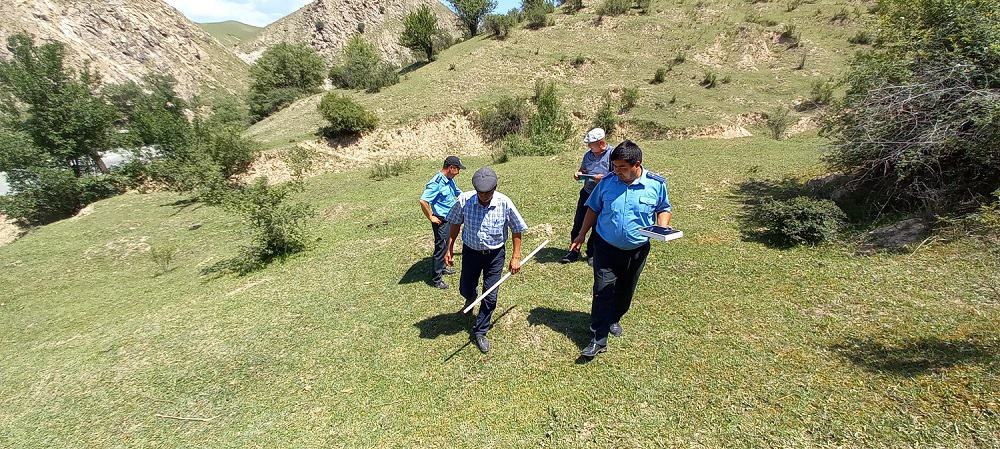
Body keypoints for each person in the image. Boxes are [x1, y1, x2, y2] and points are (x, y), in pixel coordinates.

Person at [569, 140, 672, 358]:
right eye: (614, 167)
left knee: (625, 290)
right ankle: (598, 337)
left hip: (637, 249)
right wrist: (581, 234)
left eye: (622, 168)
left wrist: (662, 227)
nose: (617, 172)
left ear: (637, 164)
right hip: (605, 247)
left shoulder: (656, 184)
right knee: (602, 290)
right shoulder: (607, 182)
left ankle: (615, 317)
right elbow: (593, 209)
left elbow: (663, 208)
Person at [445, 167, 528, 353]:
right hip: (471, 253)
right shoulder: (464, 201)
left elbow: (516, 229)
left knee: (490, 296)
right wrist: (449, 249)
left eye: (487, 193)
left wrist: (516, 257)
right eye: (480, 193)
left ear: (495, 188)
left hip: (495, 256)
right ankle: (470, 296)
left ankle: (481, 330)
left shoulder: (504, 203)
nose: (483, 196)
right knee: (465, 287)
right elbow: (455, 223)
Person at [561, 127, 612, 266]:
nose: (589, 146)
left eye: (591, 144)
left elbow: (617, 175)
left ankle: (592, 253)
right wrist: (578, 173)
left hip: (602, 196)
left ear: (601, 143)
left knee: (596, 226)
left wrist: (604, 178)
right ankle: (573, 251)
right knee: (578, 222)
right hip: (587, 193)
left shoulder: (612, 154)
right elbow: (583, 170)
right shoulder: (588, 155)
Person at [419, 156, 465, 289]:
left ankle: (443, 267)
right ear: (451, 168)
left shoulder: (449, 180)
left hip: (450, 217)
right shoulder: (436, 182)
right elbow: (423, 200)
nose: (458, 172)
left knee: (447, 244)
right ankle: (436, 279)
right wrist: (431, 217)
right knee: (441, 247)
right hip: (441, 220)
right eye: (457, 169)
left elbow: (457, 192)